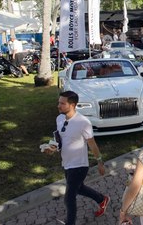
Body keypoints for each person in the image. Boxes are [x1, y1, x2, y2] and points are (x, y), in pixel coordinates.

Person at [43, 91, 109, 225]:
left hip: (79, 166)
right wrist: (52, 148)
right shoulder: (59, 119)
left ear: (72, 105)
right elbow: (61, 140)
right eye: (59, 102)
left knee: (69, 198)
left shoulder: (83, 122)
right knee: (79, 188)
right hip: (66, 163)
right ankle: (102, 199)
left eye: (62, 103)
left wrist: (100, 162)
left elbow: (92, 144)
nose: (58, 106)